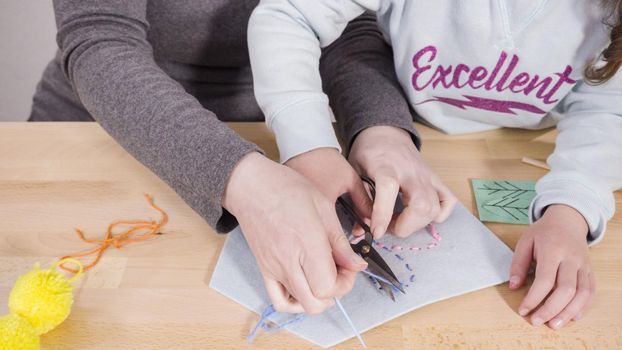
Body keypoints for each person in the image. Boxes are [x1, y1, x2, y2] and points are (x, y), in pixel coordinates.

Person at [30, 1, 422, 315]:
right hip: (97, 137)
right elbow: (100, 39)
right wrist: (243, 180)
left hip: (281, 134)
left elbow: (347, 26)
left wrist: (380, 124)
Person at [248, 0, 622, 329]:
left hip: (532, 152)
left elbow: (609, 109)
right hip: (403, 136)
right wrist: (309, 145)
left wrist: (572, 207)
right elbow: (289, 13)